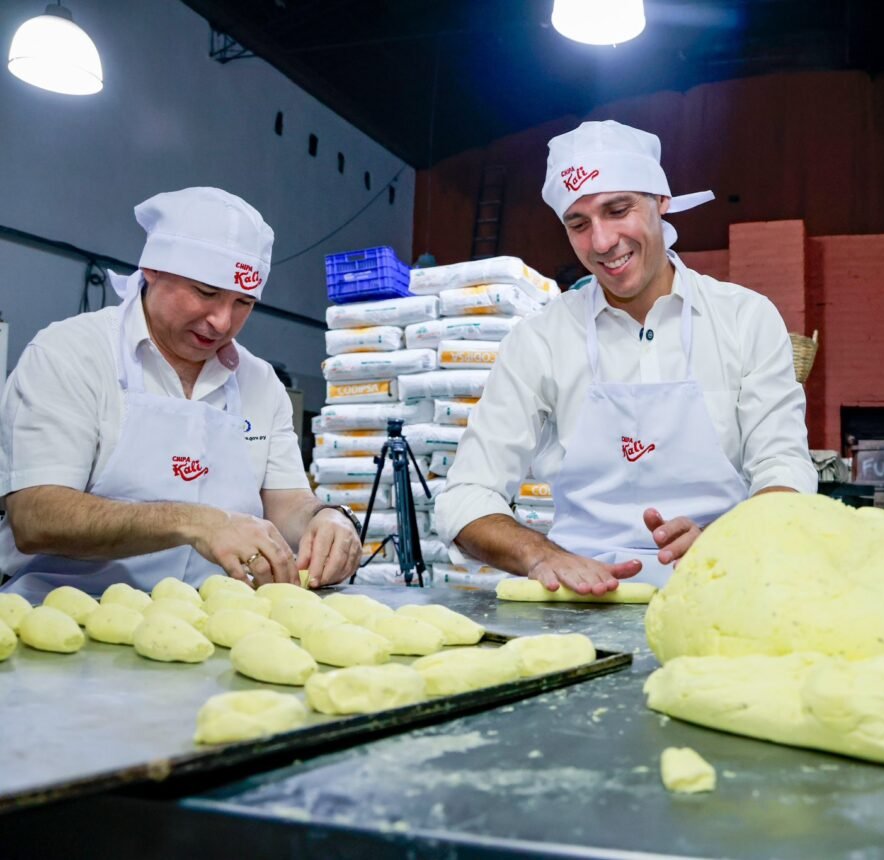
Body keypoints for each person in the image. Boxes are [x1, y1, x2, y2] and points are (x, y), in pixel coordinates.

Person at [435, 120, 815, 593]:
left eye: (618, 210)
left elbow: (785, 467)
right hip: (580, 601)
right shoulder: (540, 339)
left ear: (661, 201)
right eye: (579, 223)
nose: (602, 242)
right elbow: (467, 494)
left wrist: (731, 540)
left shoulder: (744, 319)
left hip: (724, 584)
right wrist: (543, 555)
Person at [0, 187, 362, 599]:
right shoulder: (72, 354)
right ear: (152, 268)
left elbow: (287, 503)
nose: (222, 322)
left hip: (214, 624)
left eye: (243, 303)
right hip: (63, 618)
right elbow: (36, 517)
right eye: (206, 293)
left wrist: (327, 518)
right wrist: (197, 522)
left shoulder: (260, 383)